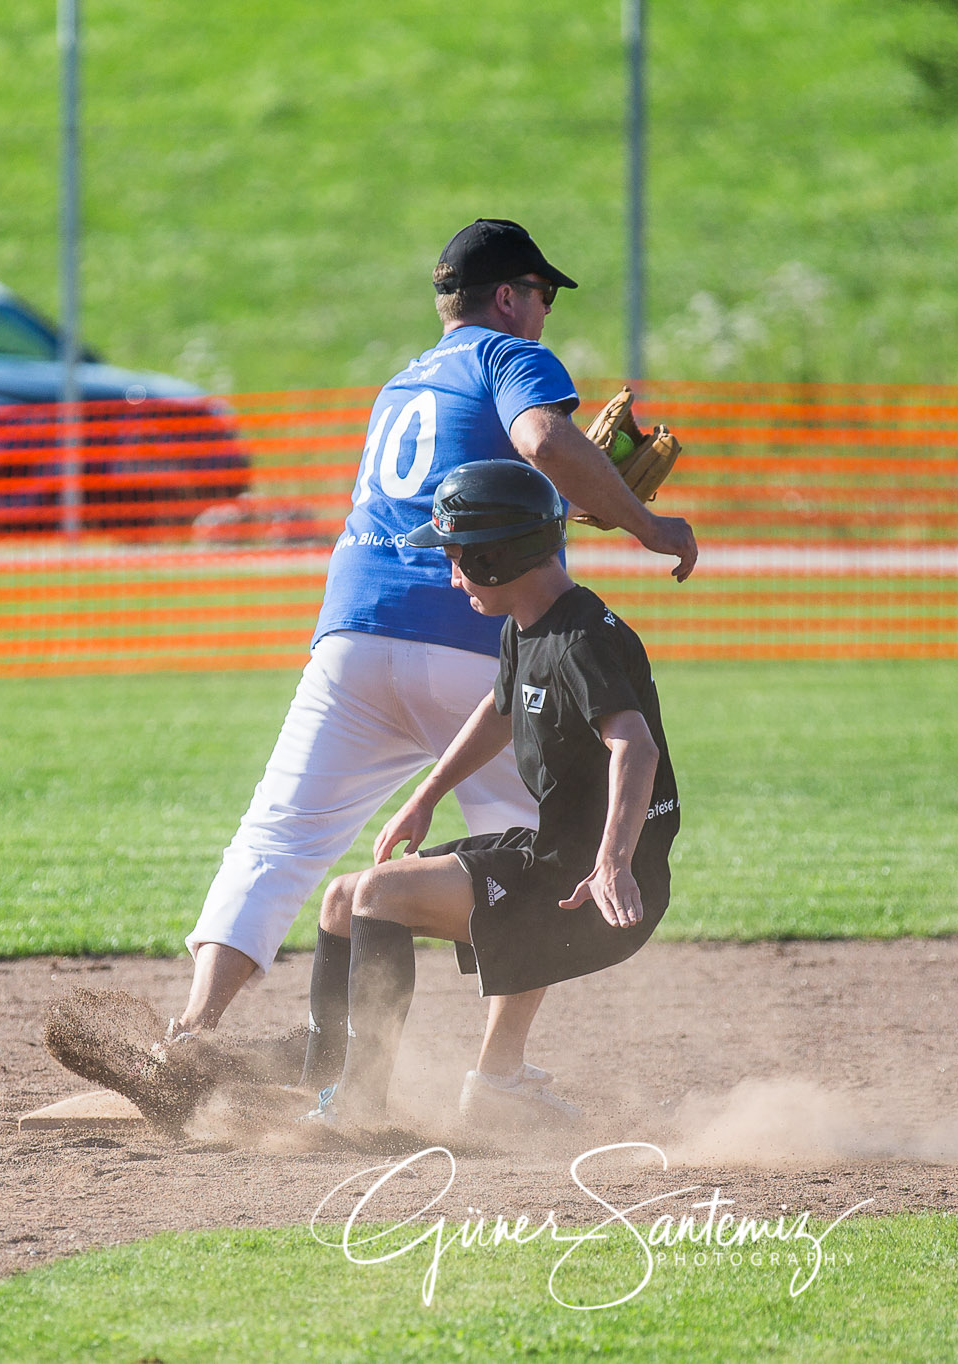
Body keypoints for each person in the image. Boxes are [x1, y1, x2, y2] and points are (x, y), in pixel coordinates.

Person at [168, 219, 697, 1116]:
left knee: (279, 835)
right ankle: (497, 1080)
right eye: (541, 293)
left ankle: (189, 1039)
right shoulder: (507, 357)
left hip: (352, 631)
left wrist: (580, 497)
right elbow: (540, 443)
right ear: (504, 296)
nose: (543, 311)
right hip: (470, 639)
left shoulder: (402, 380)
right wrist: (646, 526)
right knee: (548, 857)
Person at [304, 459, 679, 1127]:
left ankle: (358, 1108)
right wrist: (425, 796)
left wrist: (613, 862)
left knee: (378, 895)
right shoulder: (529, 626)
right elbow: (499, 709)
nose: (451, 574)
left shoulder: (577, 639)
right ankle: (326, 1087)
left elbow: (637, 743)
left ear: (498, 557)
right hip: (557, 858)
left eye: (459, 557)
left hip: (591, 884)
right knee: (340, 896)